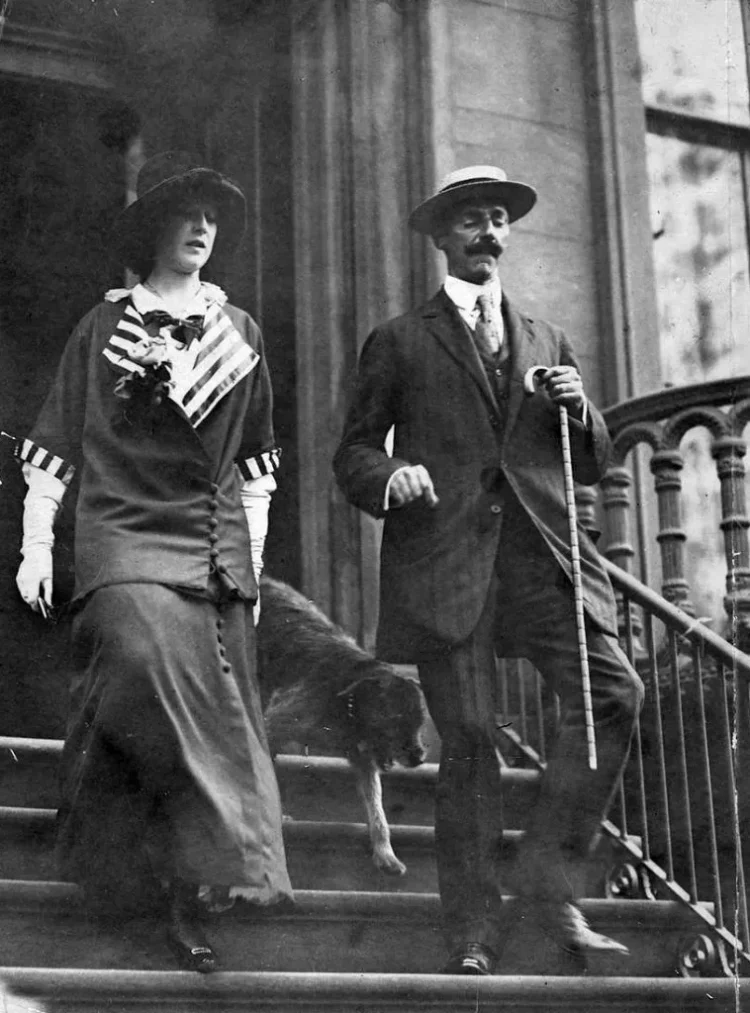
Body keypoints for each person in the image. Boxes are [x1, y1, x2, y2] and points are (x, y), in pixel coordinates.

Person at [333, 166, 644, 974]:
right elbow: (353, 454)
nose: (488, 233)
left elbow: (591, 461)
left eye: (499, 218)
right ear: (442, 236)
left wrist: (582, 410)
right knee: (471, 736)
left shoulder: (546, 339)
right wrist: (392, 477)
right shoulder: (400, 339)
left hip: (543, 559)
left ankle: (548, 886)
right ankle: (471, 926)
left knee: (614, 693)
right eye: (470, 219)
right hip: (447, 562)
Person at [15, 151, 293, 972]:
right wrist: (36, 542)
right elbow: (56, 441)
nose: (202, 228)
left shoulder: (239, 332)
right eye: (186, 214)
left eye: (212, 217)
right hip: (122, 530)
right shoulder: (104, 328)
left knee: (212, 706)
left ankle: (186, 891)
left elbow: (255, 463)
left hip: (211, 547)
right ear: (154, 227)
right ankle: (121, 875)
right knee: (138, 665)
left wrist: (252, 565)